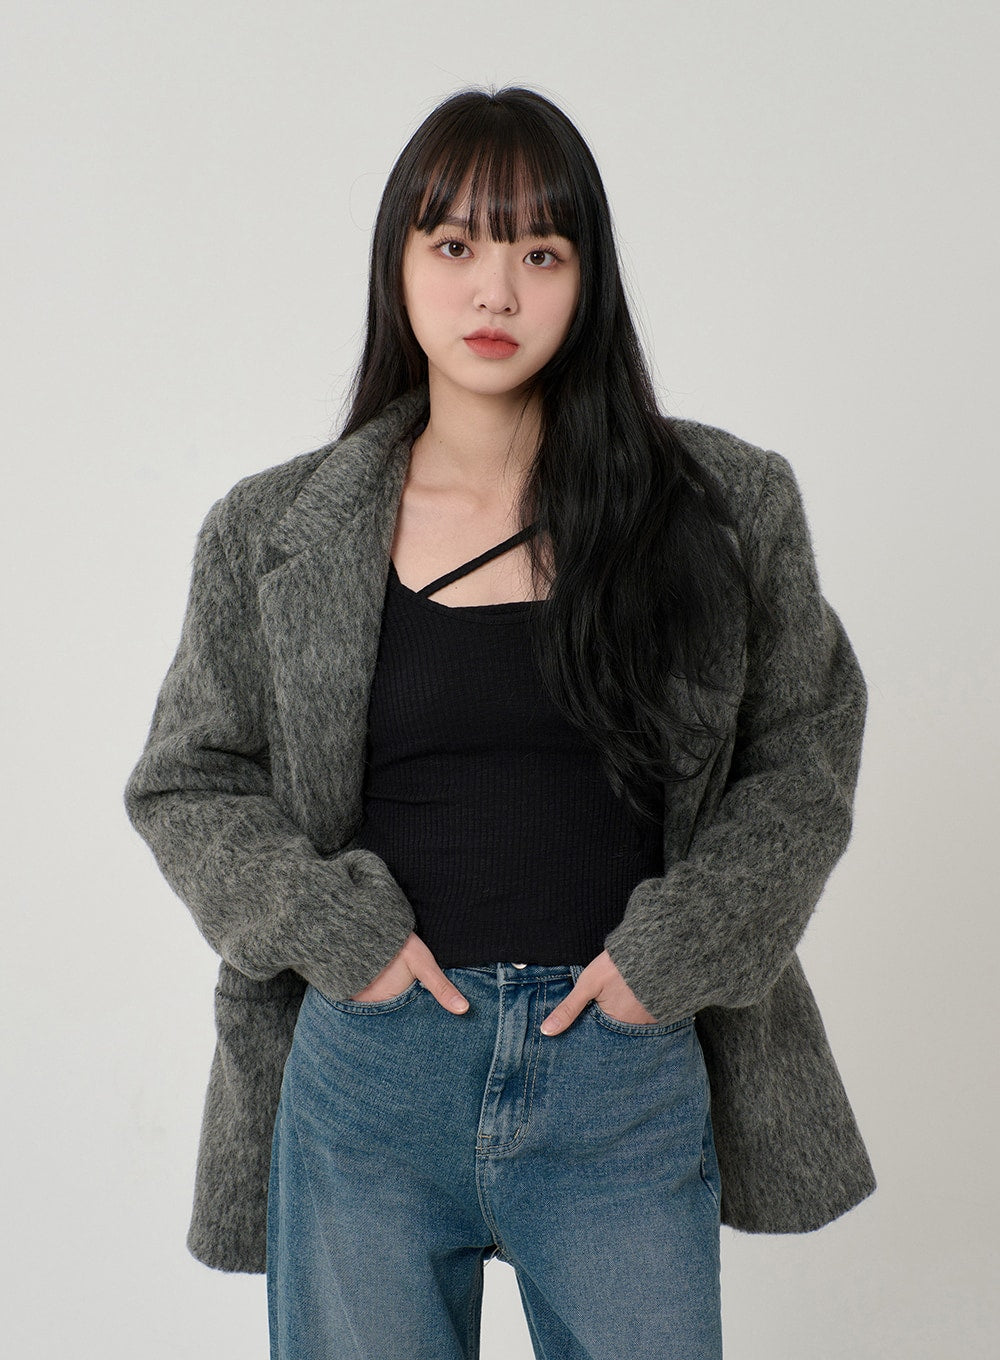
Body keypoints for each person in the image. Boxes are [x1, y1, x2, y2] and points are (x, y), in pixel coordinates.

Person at [123, 85, 876, 1360]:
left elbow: (803, 754)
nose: (495, 290)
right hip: (371, 1074)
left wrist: (676, 951)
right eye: (455, 243)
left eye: (539, 252)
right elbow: (187, 779)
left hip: (621, 1070)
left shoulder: (721, 505)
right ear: (399, 263)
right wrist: (337, 934)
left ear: (587, 279)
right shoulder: (271, 528)